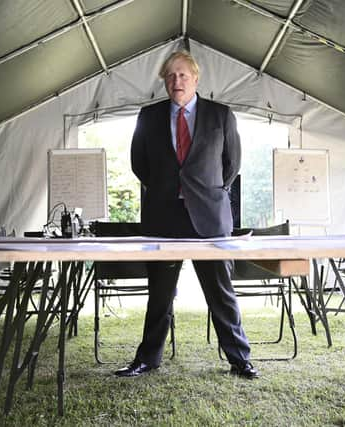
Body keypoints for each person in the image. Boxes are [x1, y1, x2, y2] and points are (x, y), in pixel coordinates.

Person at [116, 50, 258, 379]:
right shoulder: (148, 116)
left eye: (182, 75)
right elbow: (140, 164)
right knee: (160, 296)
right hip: (164, 220)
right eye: (170, 76)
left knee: (221, 294)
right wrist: (167, 189)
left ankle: (240, 360)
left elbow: (231, 165)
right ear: (164, 82)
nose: (176, 81)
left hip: (209, 220)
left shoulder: (221, 115)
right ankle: (147, 359)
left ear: (196, 79)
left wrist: (204, 192)